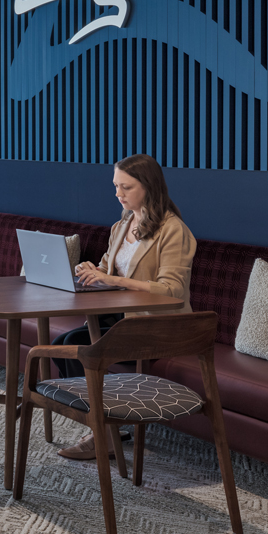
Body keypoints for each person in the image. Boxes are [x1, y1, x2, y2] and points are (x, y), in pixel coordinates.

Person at [55, 153, 197, 460]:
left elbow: (172, 289)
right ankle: (104, 427)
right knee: (62, 344)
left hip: (159, 325)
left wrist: (118, 283)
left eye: (126, 187)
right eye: (116, 186)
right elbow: (108, 269)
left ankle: (102, 432)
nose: (118, 194)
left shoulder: (174, 230)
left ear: (149, 186)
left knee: (78, 347)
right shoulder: (121, 225)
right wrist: (91, 270)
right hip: (123, 318)